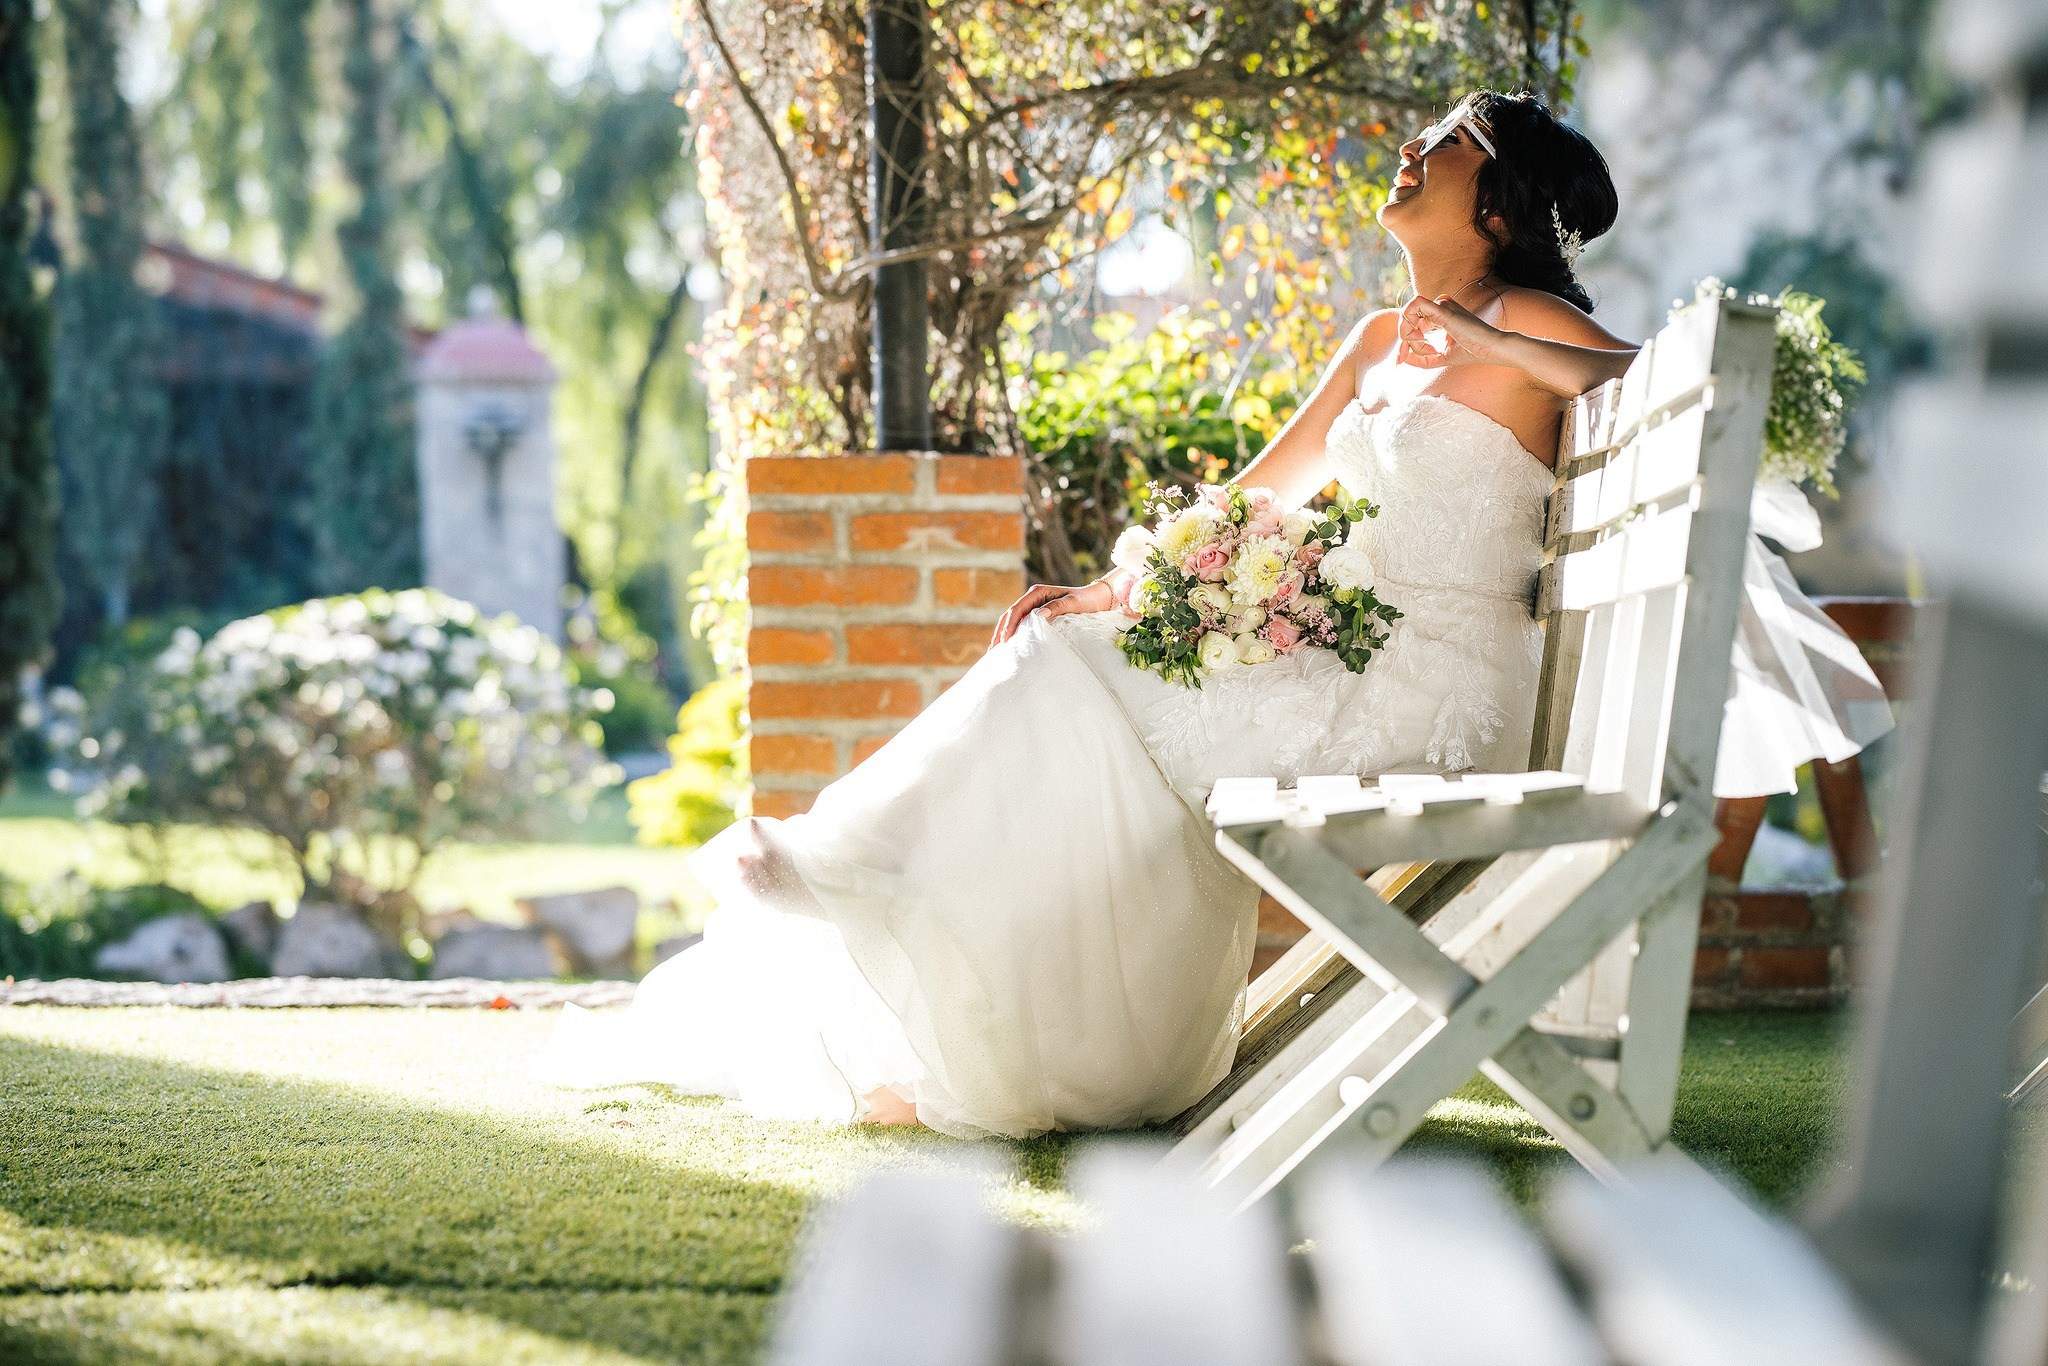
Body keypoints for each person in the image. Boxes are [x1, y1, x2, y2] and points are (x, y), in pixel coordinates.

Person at [533, 90, 1859, 1137]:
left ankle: (865, 875)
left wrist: (1498, 342)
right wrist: (1115, 586)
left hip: (1435, 691)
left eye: (1441, 145)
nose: (1406, 154)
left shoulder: (1521, 323)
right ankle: (954, 983)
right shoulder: (1380, 337)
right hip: (1348, 664)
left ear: (1499, 200)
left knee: (1080, 683)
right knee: (1067, 648)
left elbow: (1645, 370)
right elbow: (1261, 495)